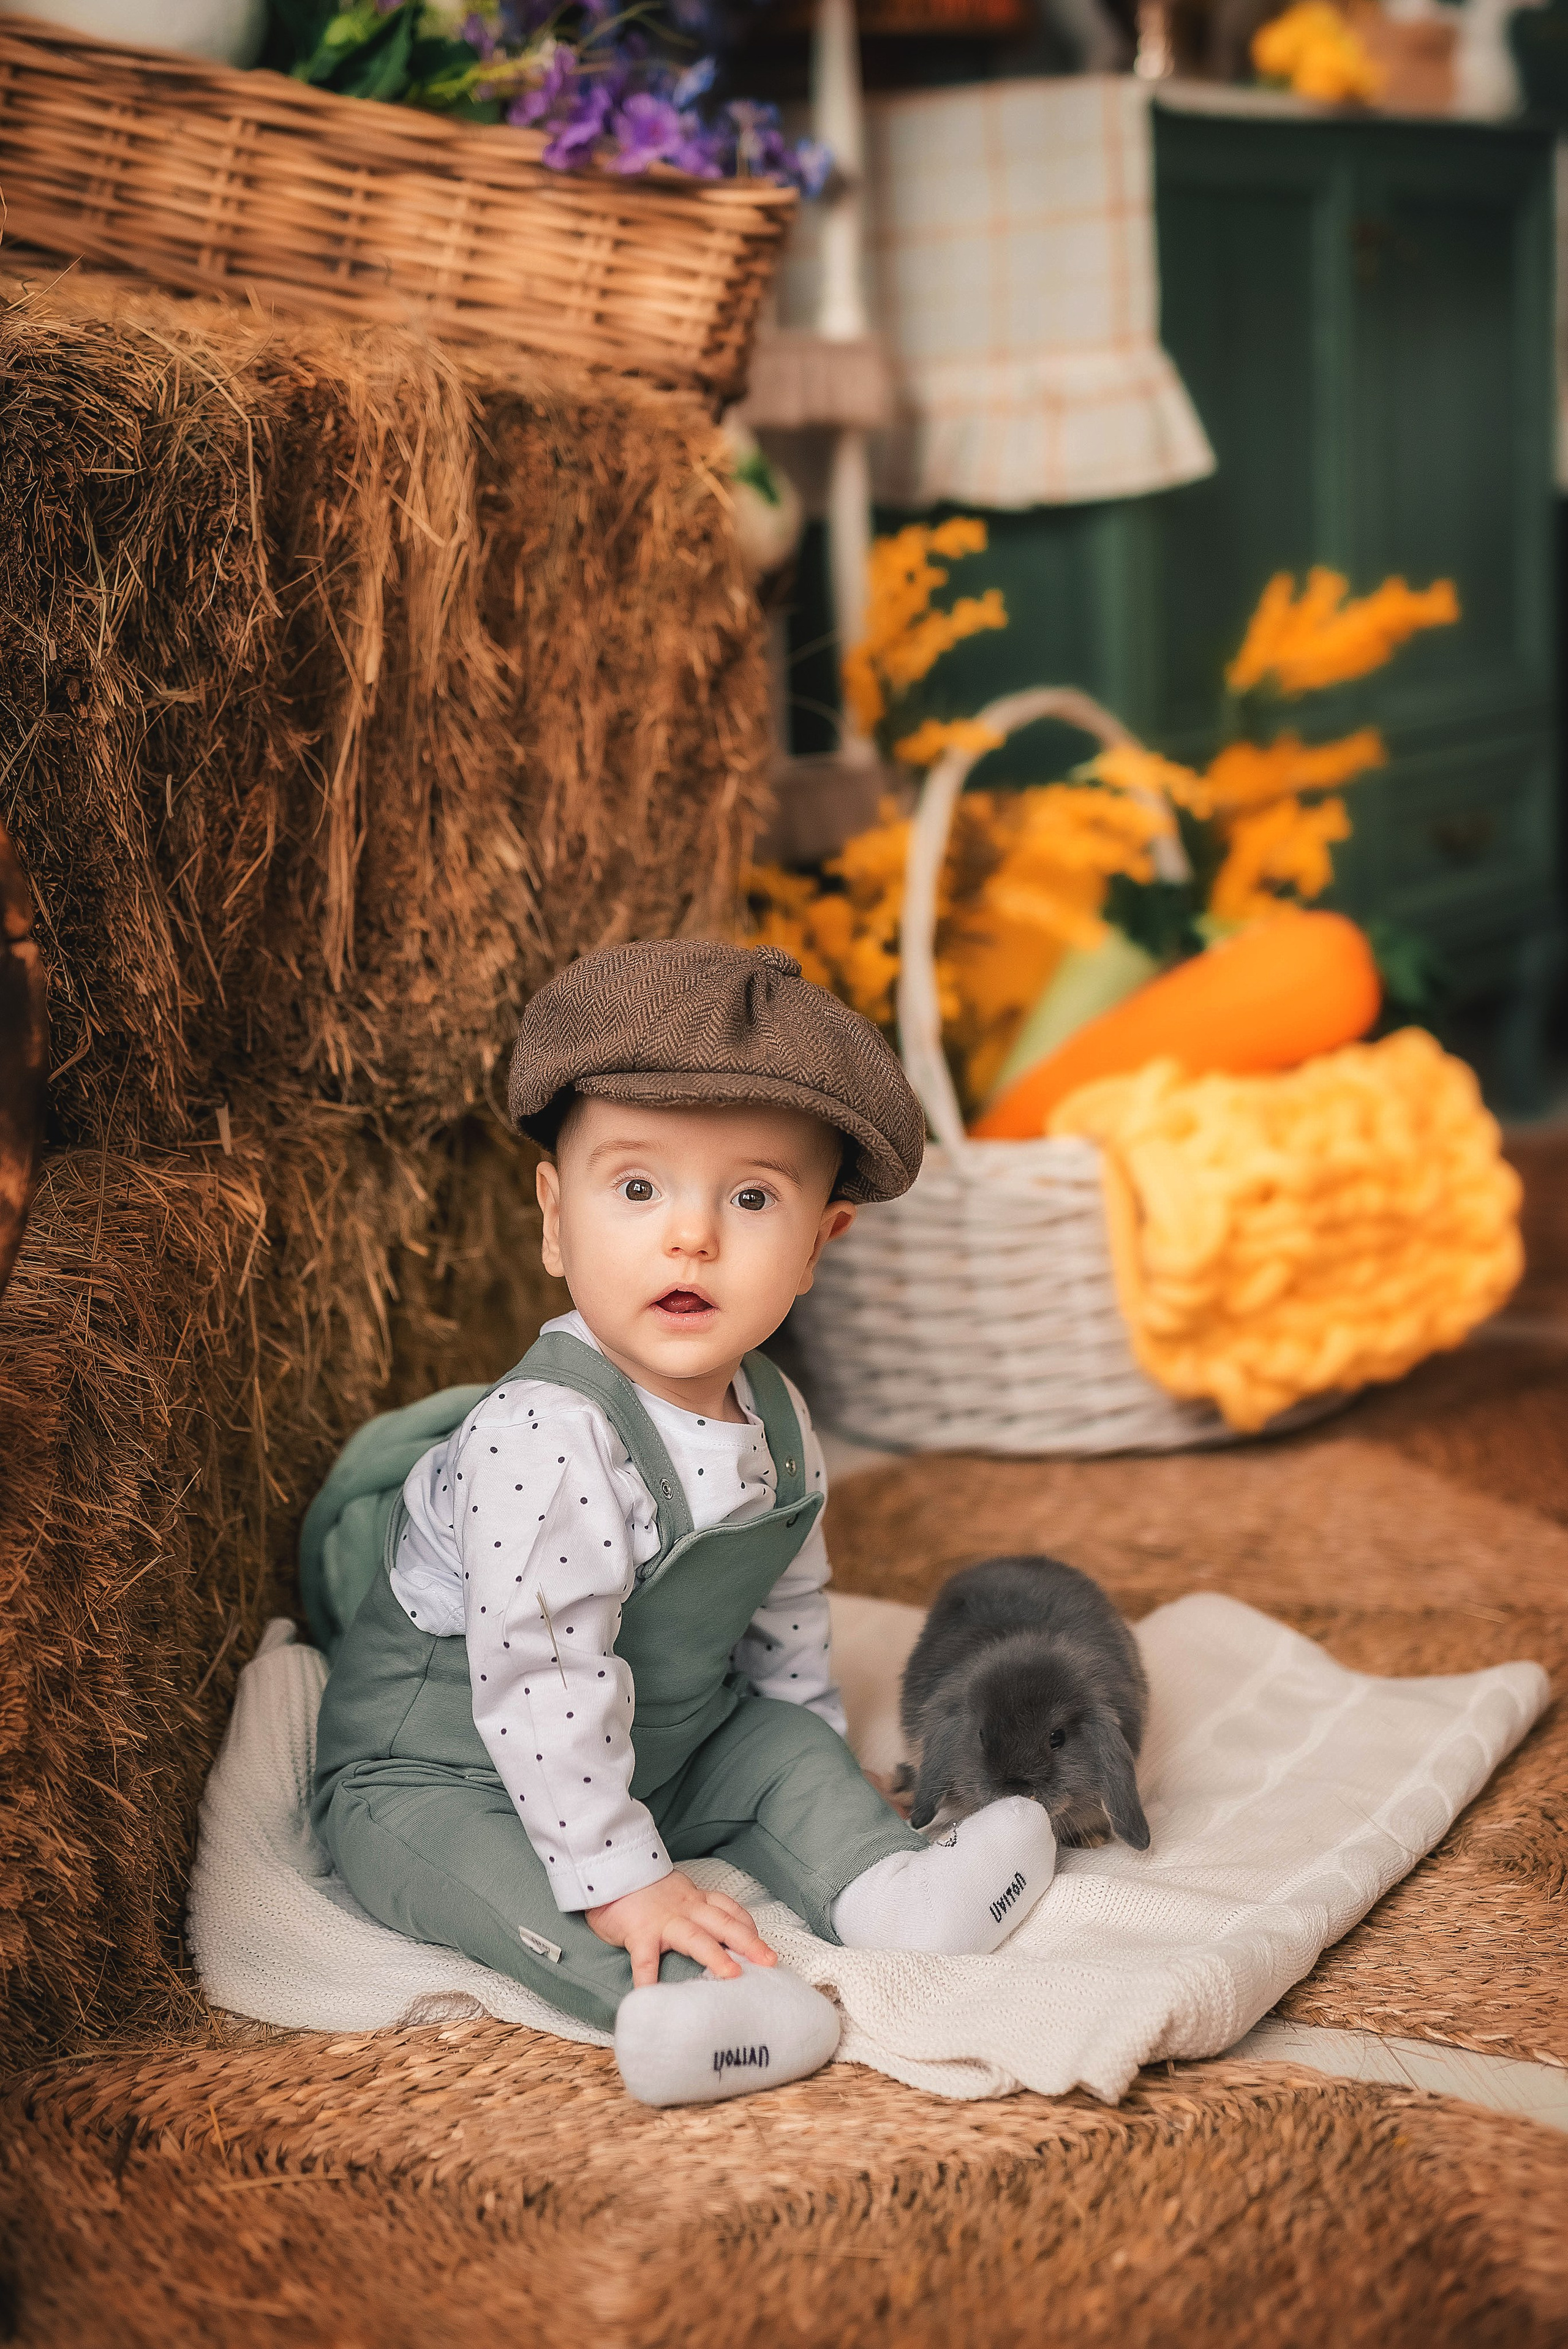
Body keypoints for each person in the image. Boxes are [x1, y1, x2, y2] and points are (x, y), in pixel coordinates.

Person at [309, 940, 1056, 2106]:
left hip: (668, 1737)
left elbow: (785, 1618)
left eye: (752, 1197)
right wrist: (623, 1876)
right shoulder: (543, 1438)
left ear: (818, 1247)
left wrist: (814, 1762)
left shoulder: (781, 1417)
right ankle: (676, 2008)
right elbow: (540, 1685)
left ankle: (904, 1895)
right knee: (514, 1886)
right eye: (639, 1187)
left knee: (784, 1750)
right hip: (449, 1773)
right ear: (555, 1220)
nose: (691, 1237)